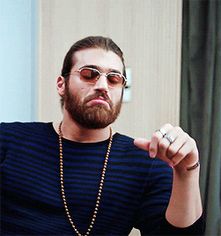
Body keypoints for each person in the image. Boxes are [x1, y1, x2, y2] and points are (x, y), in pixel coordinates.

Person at [0, 36, 205, 235]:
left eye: (114, 79)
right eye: (89, 74)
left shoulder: (145, 162)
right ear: (61, 85)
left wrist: (187, 172)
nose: (102, 86)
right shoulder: (8, 140)